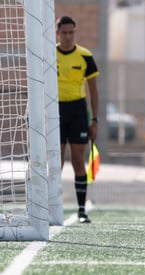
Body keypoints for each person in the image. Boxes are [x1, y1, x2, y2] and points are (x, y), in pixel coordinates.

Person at [56, 16, 100, 223]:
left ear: (74, 32)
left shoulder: (85, 56)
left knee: (77, 160)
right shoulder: (49, 54)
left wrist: (95, 120)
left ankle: (81, 209)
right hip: (54, 110)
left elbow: (94, 91)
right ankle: (52, 207)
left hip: (77, 111)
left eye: (70, 32)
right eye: (63, 32)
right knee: (56, 162)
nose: (67, 36)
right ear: (58, 33)